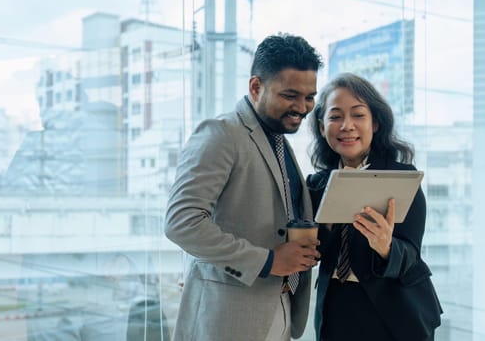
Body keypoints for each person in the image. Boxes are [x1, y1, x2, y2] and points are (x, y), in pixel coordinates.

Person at [165, 33, 323, 341]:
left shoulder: (277, 140)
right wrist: (268, 261)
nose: (302, 107)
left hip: (279, 310)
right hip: (228, 317)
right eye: (290, 95)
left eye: (309, 97)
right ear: (255, 87)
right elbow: (180, 223)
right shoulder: (221, 134)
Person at [306, 72, 443, 341]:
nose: (347, 125)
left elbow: (411, 255)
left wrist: (386, 247)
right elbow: (314, 251)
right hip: (336, 309)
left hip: (394, 313)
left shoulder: (402, 178)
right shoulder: (315, 185)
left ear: (375, 123)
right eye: (335, 117)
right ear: (322, 127)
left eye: (358, 115)